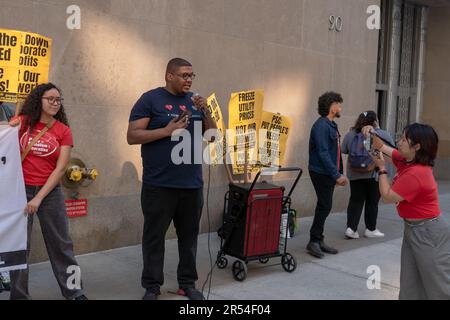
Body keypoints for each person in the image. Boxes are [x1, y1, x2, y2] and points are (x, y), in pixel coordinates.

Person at [127, 58, 216, 300]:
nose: (188, 79)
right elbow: (132, 136)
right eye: (184, 75)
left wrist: (205, 110)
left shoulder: (195, 102)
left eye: (191, 75)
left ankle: (187, 283)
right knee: (154, 238)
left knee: (189, 239)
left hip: (191, 184)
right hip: (159, 185)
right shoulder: (150, 99)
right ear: (169, 76)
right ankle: (152, 286)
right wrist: (166, 131)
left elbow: (213, 136)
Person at [8, 83, 87, 300]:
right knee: (19, 247)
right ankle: (19, 295)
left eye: (58, 99)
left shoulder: (63, 130)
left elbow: (61, 168)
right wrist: (9, 126)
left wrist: (39, 197)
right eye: (50, 99)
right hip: (19, 191)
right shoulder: (23, 123)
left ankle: (75, 291)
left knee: (61, 244)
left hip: (49, 193)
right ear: (38, 101)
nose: (54, 103)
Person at [363, 123, 450, 299]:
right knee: (410, 284)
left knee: (438, 287)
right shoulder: (408, 159)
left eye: (404, 139)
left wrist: (381, 169)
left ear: (416, 147)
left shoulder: (417, 173)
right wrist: (371, 132)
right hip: (413, 229)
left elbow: (387, 196)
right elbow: (382, 147)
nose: (399, 142)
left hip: (429, 233)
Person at [307, 91, 349, 258]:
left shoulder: (331, 125)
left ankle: (318, 239)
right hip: (320, 171)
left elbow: (336, 152)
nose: (340, 107)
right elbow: (323, 153)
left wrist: (338, 173)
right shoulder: (321, 126)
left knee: (325, 205)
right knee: (325, 205)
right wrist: (336, 174)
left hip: (328, 172)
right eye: (338, 104)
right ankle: (314, 241)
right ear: (332, 107)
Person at [341, 111, 395, 239]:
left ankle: (351, 229)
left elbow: (343, 149)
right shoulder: (381, 134)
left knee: (355, 200)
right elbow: (391, 150)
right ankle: (370, 229)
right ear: (375, 120)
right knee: (372, 202)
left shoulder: (351, 134)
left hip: (355, 174)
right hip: (374, 174)